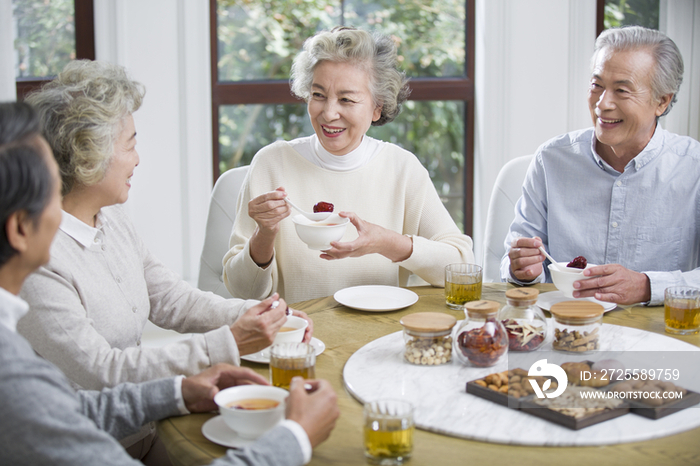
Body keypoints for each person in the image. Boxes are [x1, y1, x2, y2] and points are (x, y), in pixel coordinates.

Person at [0, 101, 339, 466]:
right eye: (54, 191)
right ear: (20, 228)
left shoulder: (110, 219)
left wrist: (177, 393)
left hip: (143, 431)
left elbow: (65, 408)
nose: (138, 159)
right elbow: (87, 380)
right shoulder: (12, 372)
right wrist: (295, 437)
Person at [223, 27, 474, 304]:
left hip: (380, 340)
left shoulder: (402, 169)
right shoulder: (272, 164)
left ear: (377, 107)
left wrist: (387, 243)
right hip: (300, 339)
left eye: (346, 99)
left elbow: (460, 266)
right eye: (318, 95)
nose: (329, 113)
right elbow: (242, 291)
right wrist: (264, 234)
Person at [501, 26, 700, 306]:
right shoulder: (551, 159)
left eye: (621, 90)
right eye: (597, 85)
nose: (603, 104)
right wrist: (521, 270)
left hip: (661, 334)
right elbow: (513, 262)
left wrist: (647, 286)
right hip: (564, 326)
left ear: (662, 101)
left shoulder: (694, 169)